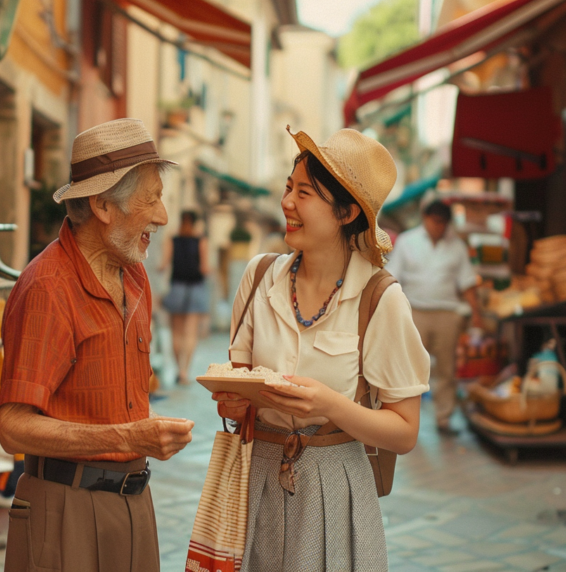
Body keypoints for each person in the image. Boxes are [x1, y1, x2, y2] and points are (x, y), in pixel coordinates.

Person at [213, 127, 430, 571]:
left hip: (337, 486)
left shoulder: (380, 299)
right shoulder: (259, 278)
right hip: (256, 482)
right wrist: (234, 403)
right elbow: (239, 383)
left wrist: (329, 404)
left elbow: (405, 431)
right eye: (288, 187)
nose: (287, 203)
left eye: (305, 193)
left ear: (346, 212)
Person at [0, 118, 195, 572]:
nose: (163, 217)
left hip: (133, 504)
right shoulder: (48, 287)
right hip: (64, 510)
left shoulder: (136, 276)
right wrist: (127, 435)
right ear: (103, 205)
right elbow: (12, 427)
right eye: (153, 200)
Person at [385, 199, 482, 436]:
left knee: (446, 369)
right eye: (435, 221)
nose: (439, 226)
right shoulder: (407, 241)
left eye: (443, 222)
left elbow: (467, 282)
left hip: (447, 314)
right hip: (414, 312)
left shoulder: (457, 246)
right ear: (425, 218)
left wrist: (476, 313)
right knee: (407, 367)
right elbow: (392, 277)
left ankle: (444, 419)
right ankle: (399, 418)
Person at [158, 210, 210, 385]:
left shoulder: (172, 240)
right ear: (195, 223)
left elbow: (163, 264)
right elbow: (204, 268)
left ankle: (178, 370)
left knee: (176, 333)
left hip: (177, 287)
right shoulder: (201, 241)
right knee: (190, 333)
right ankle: (184, 372)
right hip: (195, 288)